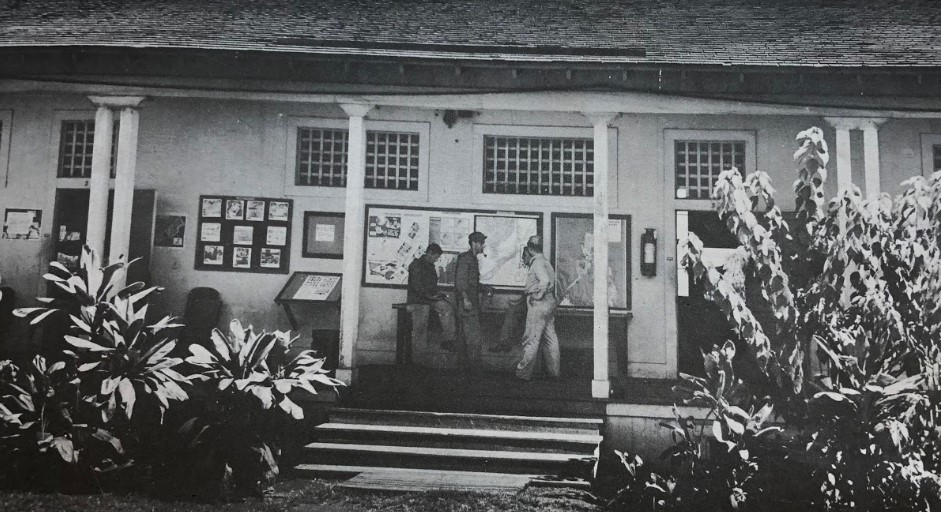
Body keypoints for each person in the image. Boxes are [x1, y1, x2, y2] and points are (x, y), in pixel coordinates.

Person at [515, 235, 560, 381]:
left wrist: (538, 295)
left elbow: (544, 281)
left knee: (531, 339)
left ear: (529, 248)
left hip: (539, 304)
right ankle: (554, 373)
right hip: (550, 303)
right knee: (550, 339)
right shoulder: (546, 262)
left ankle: (523, 374)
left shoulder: (537, 263)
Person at [406, 243, 456, 350]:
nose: (436, 260)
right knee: (420, 326)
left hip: (429, 299)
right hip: (418, 300)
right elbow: (416, 287)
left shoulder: (431, 266)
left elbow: (432, 285)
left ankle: (448, 340)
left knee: (447, 308)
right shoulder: (416, 265)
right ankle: (418, 352)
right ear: (429, 253)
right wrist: (430, 296)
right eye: (436, 257)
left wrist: (437, 295)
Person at [454, 231, 486, 370]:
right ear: (474, 244)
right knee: (474, 335)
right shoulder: (466, 259)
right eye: (481, 243)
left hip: (471, 302)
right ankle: (474, 367)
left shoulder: (472, 259)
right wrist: (466, 299)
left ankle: (464, 367)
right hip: (467, 304)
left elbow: (473, 283)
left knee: (465, 335)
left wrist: (485, 287)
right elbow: (460, 281)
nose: (483, 245)